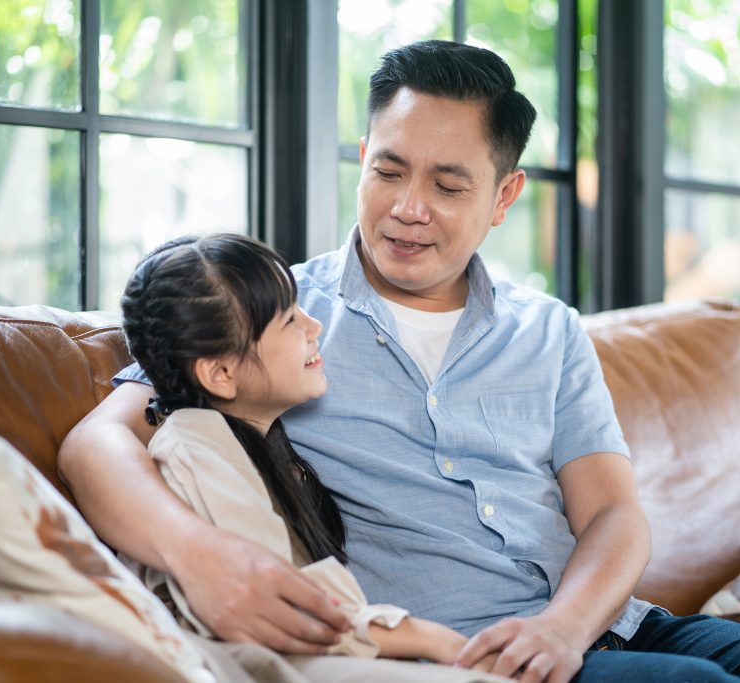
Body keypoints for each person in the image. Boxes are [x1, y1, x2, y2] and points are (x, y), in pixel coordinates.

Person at [60, 40, 740, 682]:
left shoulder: (549, 330)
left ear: (504, 196)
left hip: (605, 626)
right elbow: (98, 442)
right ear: (364, 156)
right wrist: (204, 559)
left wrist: (565, 626)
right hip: (463, 656)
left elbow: (615, 515)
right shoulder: (273, 320)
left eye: (449, 185)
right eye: (389, 170)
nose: (408, 207)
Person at [115, 231, 496, 673]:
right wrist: (439, 640)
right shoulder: (195, 442)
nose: (314, 326)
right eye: (288, 320)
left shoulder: (269, 452)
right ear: (220, 374)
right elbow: (288, 606)